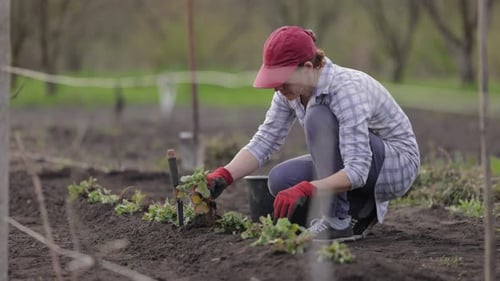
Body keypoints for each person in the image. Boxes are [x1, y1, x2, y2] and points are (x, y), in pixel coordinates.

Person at [205, 26, 420, 240]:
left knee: (318, 117)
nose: (277, 88)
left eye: (282, 80)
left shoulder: (345, 90)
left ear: (307, 68)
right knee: (281, 179)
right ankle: (360, 209)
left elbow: (358, 170)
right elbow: (266, 140)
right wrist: (225, 175)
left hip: (395, 165)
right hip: (360, 159)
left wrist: (309, 188)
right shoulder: (289, 90)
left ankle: (337, 219)